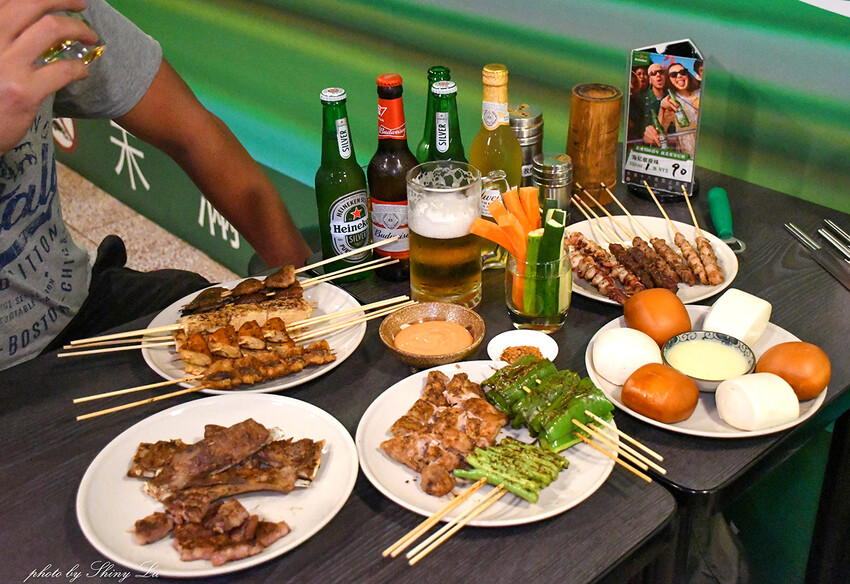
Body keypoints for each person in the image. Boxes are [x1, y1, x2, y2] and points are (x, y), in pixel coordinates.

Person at [0, 0, 312, 370]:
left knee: (191, 300)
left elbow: (191, 133)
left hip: (72, 304)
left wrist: (303, 288)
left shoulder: (40, 11)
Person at [658, 61, 701, 157]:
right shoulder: (670, 102)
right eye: (673, 75)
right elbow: (660, 132)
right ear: (669, 79)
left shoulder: (699, 93)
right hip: (689, 154)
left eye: (682, 72)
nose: (679, 76)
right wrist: (662, 108)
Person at [639, 62, 671, 148]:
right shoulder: (640, 99)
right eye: (653, 73)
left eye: (661, 72)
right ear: (650, 79)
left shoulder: (671, 97)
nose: (658, 75)